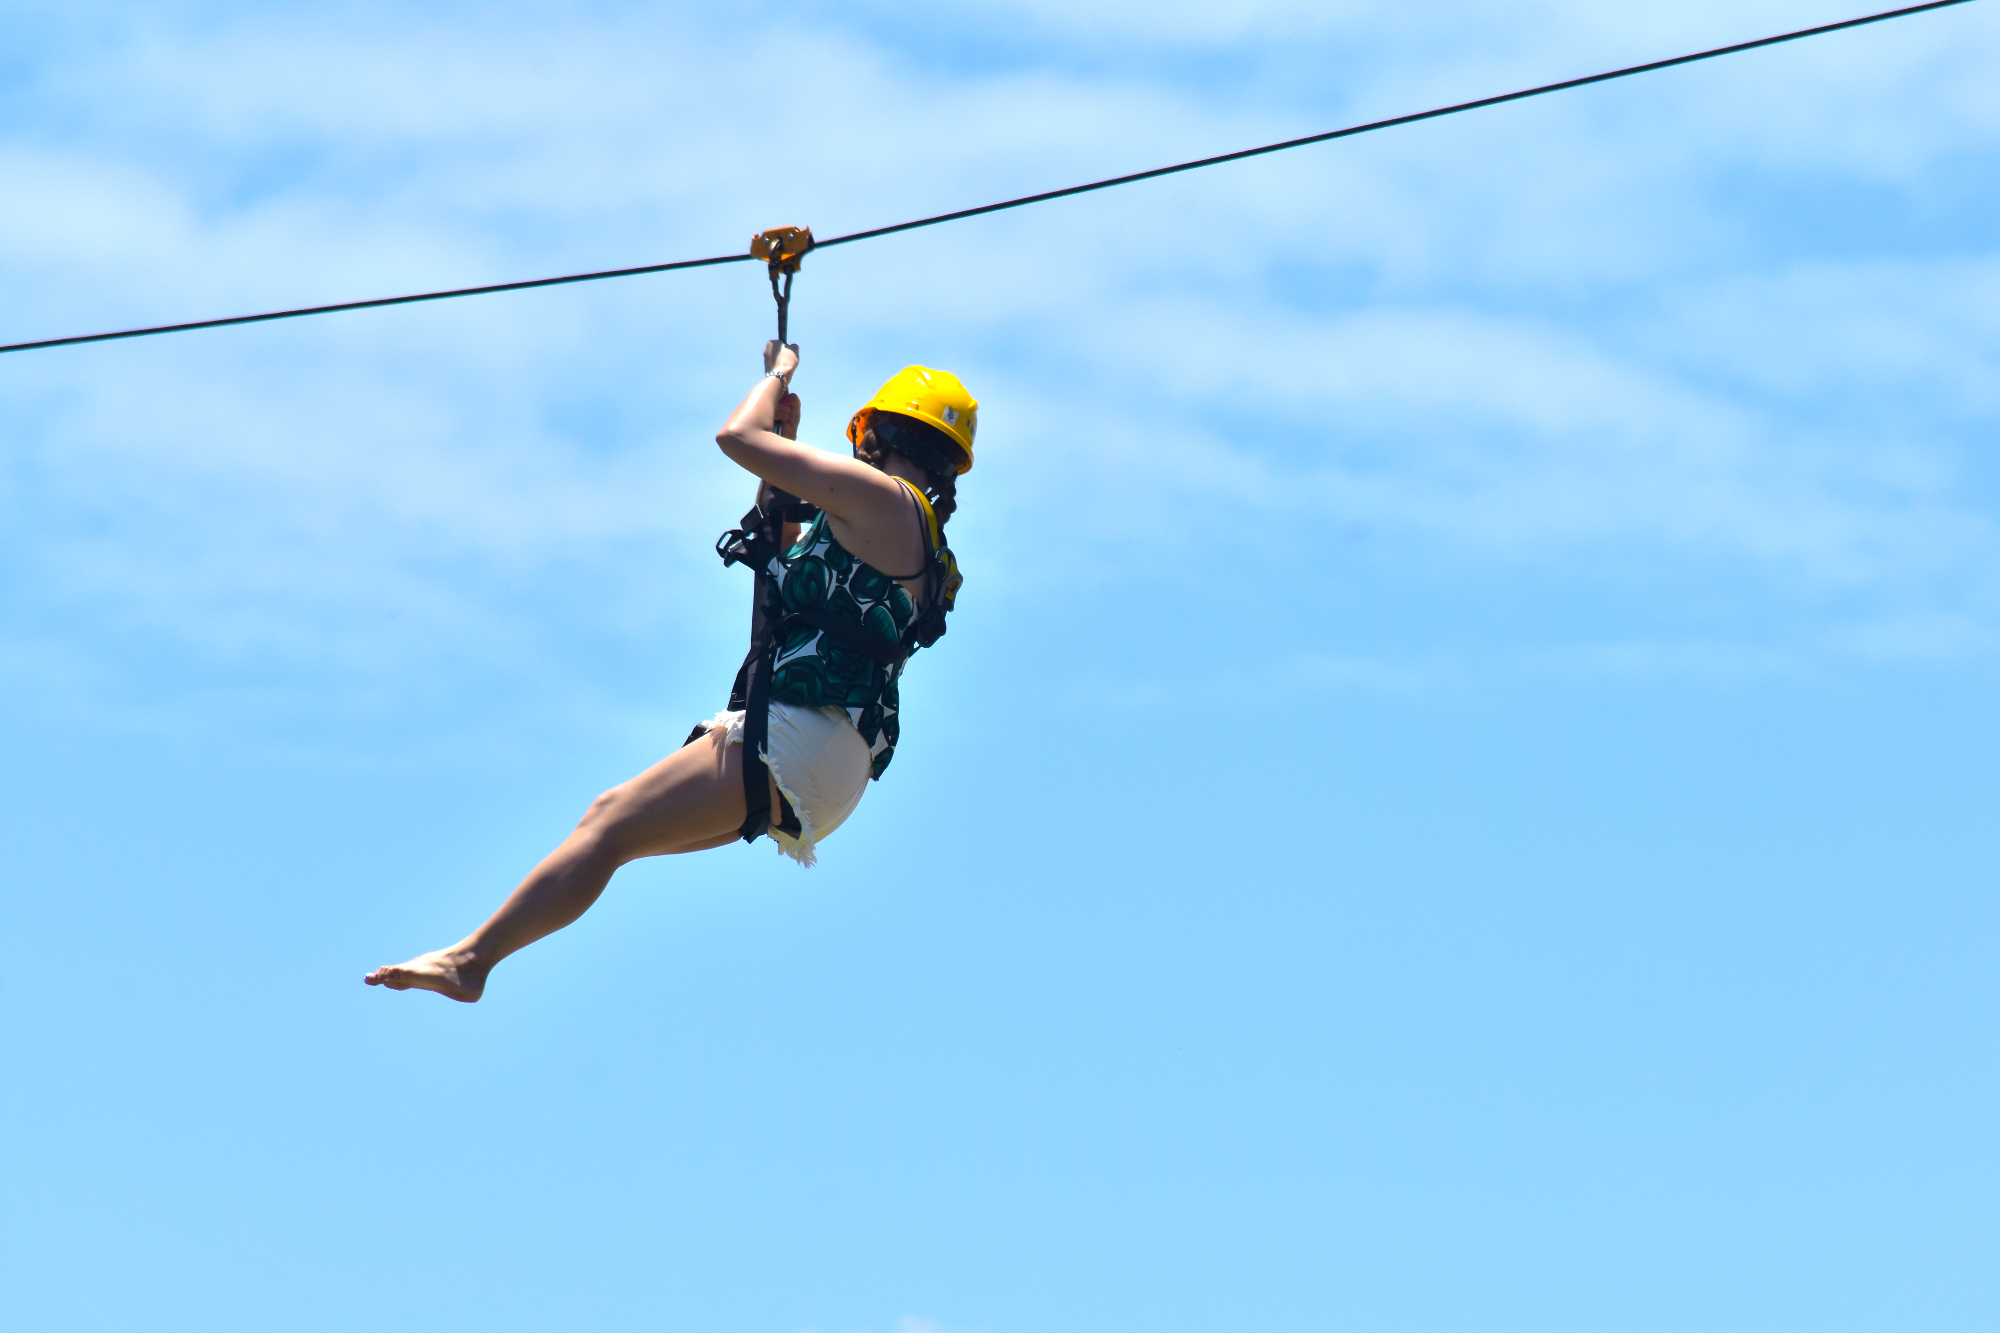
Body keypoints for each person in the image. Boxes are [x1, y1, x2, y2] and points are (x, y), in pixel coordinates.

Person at [364, 342, 976, 1001]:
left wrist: (775, 377)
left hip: (803, 735)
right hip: (834, 763)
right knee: (616, 837)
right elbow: (782, 562)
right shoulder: (917, 541)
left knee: (605, 821)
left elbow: (733, 435)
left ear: (878, 432)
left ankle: (471, 961)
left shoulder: (881, 497)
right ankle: (475, 959)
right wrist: (787, 445)